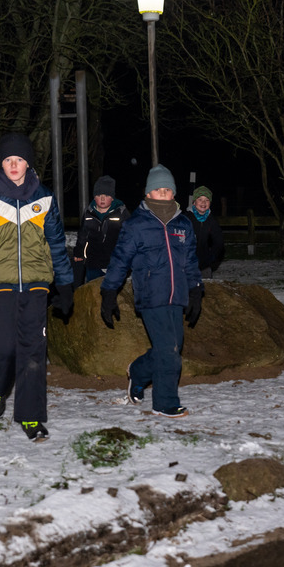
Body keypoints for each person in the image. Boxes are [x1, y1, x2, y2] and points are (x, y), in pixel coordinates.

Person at [0, 132, 74, 442]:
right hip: (1, 284)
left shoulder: (44, 199)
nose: (14, 164)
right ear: (1, 164)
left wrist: (65, 284)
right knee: (3, 349)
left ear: (28, 164)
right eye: (8, 159)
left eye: (19, 159)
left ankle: (30, 417)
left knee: (33, 352)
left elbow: (56, 244)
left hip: (38, 284)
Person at [100, 164, 203, 419]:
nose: (163, 193)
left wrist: (196, 290)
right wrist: (109, 292)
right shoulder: (136, 224)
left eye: (167, 190)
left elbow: (190, 261)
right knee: (168, 349)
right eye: (158, 190)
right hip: (151, 295)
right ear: (148, 194)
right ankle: (165, 402)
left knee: (170, 347)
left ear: (174, 194)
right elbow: (120, 260)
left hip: (176, 295)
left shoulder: (183, 224)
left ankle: (138, 371)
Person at [73, 175, 130, 284]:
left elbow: (129, 237)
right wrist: (79, 252)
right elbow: (82, 235)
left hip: (114, 262)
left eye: (106, 195)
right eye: (99, 195)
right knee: (93, 291)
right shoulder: (89, 213)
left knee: (112, 292)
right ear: (94, 197)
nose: (102, 198)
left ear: (112, 197)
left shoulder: (121, 213)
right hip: (93, 262)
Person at [185, 185, 224, 279]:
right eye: (200, 199)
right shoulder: (186, 219)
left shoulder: (212, 221)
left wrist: (211, 260)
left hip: (205, 266)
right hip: (187, 265)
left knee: (206, 291)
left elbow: (219, 243)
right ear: (194, 202)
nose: (203, 203)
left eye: (206, 200)